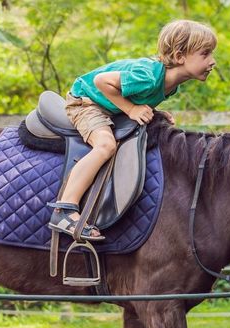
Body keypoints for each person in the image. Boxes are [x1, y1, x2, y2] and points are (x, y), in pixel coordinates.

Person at [48, 19, 217, 241]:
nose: (212, 62)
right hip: (86, 102)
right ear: (179, 57)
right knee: (105, 146)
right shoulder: (147, 75)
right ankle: (65, 210)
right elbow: (101, 82)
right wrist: (131, 109)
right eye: (205, 54)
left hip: (108, 105)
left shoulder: (172, 84)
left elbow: (141, 97)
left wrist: (152, 112)